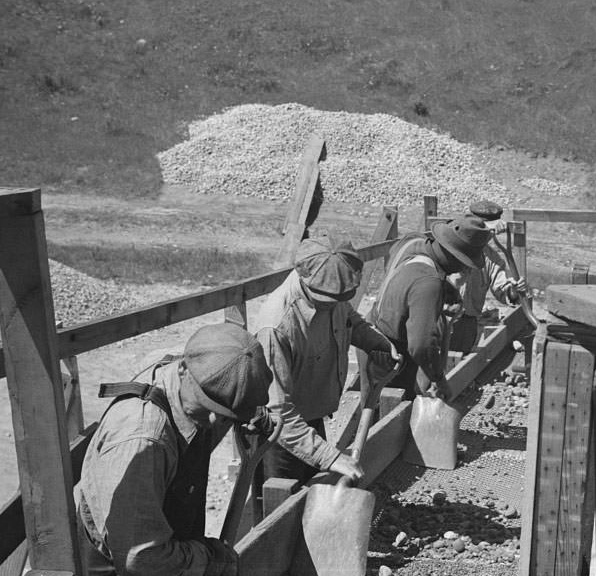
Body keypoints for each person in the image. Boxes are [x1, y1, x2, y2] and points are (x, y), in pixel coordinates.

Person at [76, 323, 274, 576]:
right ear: (182, 369)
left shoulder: (190, 369)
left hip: (167, 541)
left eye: (225, 416)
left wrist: (248, 407)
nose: (214, 423)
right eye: (208, 407)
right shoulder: (143, 439)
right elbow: (141, 559)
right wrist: (209, 558)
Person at [253, 237, 401, 483]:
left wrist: (381, 344)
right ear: (306, 281)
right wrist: (329, 456)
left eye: (340, 299)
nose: (335, 305)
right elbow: (277, 410)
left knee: (313, 496)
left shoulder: (333, 296)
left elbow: (350, 320)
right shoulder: (277, 326)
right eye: (328, 300)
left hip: (309, 419)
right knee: (281, 509)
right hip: (278, 436)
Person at [369, 213, 493, 400]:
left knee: (372, 405)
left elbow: (408, 277)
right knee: (391, 416)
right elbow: (421, 346)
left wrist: (445, 288)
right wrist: (438, 379)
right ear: (455, 257)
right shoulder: (429, 283)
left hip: (374, 334)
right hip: (393, 355)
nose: (463, 270)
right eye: (464, 264)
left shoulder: (412, 243)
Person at [447, 200, 528, 353]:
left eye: (491, 231)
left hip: (466, 324)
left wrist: (514, 290)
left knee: (460, 369)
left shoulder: (491, 258)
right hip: (441, 318)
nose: (489, 235)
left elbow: (503, 292)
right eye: (485, 230)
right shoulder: (451, 246)